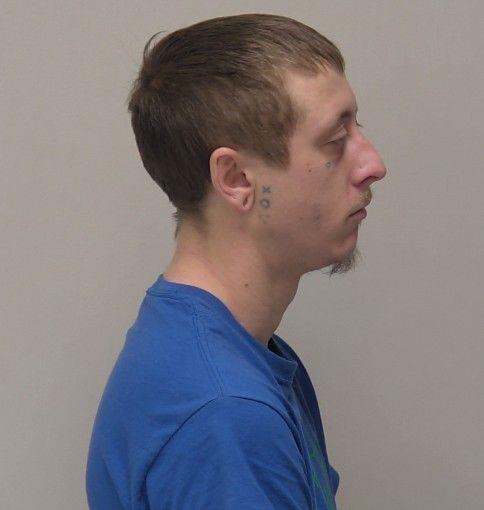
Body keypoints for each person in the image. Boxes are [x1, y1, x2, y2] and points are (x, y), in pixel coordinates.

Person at [86, 13, 387, 510]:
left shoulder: (234, 354)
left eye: (359, 128)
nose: (373, 164)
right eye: (336, 141)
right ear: (237, 179)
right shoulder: (225, 416)